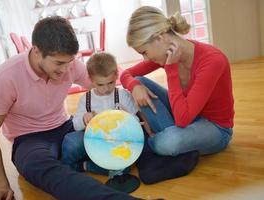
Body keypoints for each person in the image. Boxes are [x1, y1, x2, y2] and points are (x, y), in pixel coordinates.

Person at [0, 16, 144, 200]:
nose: (66, 70)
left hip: (65, 126)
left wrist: (134, 85)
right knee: (43, 169)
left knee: (119, 134)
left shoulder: (69, 65)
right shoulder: (5, 77)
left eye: (69, 62)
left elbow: (104, 78)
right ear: (36, 51)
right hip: (30, 139)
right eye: (59, 63)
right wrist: (1, 184)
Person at [62, 52, 199, 187]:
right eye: (100, 84)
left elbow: (137, 118)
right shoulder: (85, 99)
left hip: (118, 143)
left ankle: (84, 165)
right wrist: (85, 119)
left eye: (110, 83)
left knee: (124, 169)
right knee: (71, 142)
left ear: (116, 75)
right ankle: (66, 170)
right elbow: (75, 125)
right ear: (90, 79)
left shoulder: (122, 95)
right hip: (95, 142)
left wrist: (130, 120)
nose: (106, 89)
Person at [121, 6, 234, 158]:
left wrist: (171, 70)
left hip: (216, 128)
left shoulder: (212, 61)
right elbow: (124, 74)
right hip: (185, 114)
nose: (146, 59)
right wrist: (134, 86)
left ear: (160, 38)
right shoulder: (164, 52)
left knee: (169, 142)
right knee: (139, 81)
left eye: (144, 52)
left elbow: (182, 120)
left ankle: (154, 141)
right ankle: (174, 141)